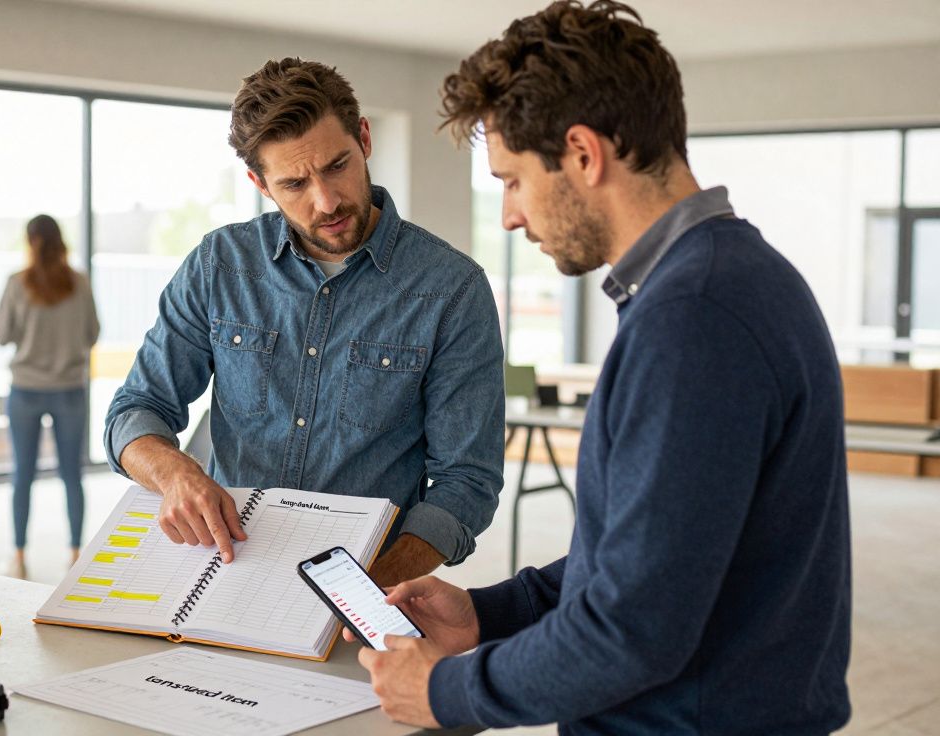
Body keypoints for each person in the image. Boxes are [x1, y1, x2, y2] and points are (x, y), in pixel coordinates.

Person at [355, 2, 852, 733]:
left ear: (584, 154)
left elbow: (632, 629)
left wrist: (447, 692)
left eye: (513, 180)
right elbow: (650, 561)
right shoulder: (730, 278)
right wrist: (491, 613)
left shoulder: (695, 319)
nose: (509, 217)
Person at [105, 58, 506, 586]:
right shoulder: (220, 265)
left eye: (337, 165)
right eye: (294, 182)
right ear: (260, 183)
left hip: (370, 584)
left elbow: (466, 482)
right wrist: (175, 474)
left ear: (364, 139)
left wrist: (369, 589)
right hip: (223, 574)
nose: (327, 200)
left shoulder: (451, 289)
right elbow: (135, 411)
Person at [0, 214, 100, 576]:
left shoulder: (16, 283)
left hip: (25, 390)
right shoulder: (79, 283)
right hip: (69, 389)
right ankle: (75, 552)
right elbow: (92, 333)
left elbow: (2, 333)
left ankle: (20, 555)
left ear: (30, 242)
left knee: (22, 474)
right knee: (72, 475)